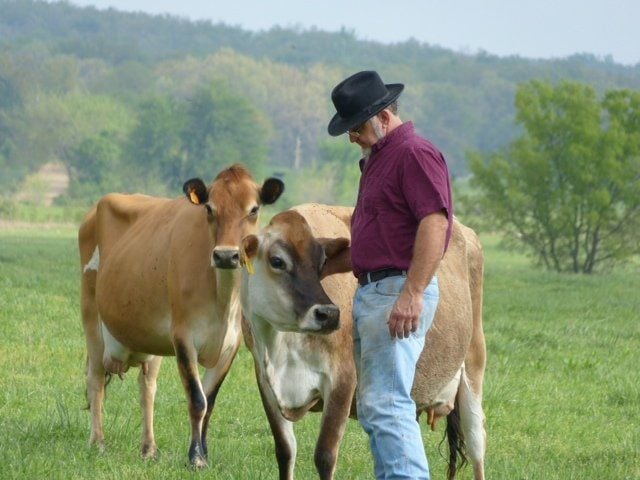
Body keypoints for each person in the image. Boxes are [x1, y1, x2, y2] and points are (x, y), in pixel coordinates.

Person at [327, 70, 453, 479]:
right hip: (378, 290)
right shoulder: (380, 160)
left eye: (356, 126)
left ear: (382, 115)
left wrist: (412, 293)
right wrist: (322, 263)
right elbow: (378, 241)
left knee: (388, 404)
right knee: (377, 406)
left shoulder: (413, 153)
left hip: (396, 289)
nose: (351, 137)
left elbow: (434, 222)